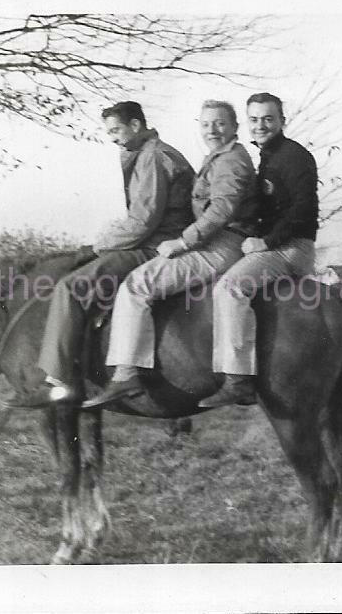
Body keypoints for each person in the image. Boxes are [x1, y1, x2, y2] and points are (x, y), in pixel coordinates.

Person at [82, 99, 258, 409]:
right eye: (205, 124)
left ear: (234, 127)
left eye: (220, 123)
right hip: (216, 242)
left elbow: (221, 209)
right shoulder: (218, 157)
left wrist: (182, 242)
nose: (212, 130)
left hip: (221, 245)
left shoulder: (231, 160)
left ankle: (126, 373)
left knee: (137, 285)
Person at [22, 101, 195, 408]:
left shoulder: (152, 157)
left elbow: (142, 221)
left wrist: (96, 247)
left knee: (70, 288)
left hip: (153, 247)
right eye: (109, 131)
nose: (112, 137)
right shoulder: (149, 153)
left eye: (116, 130)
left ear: (136, 126)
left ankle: (58, 382)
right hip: (155, 241)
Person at [198, 92, 319, 408]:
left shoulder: (294, 156)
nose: (260, 125)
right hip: (276, 246)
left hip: (291, 248)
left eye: (268, 119)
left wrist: (266, 242)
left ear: (282, 120)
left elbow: (303, 210)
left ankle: (238, 380)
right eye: (254, 119)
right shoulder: (266, 157)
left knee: (229, 288)